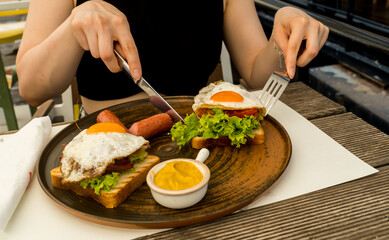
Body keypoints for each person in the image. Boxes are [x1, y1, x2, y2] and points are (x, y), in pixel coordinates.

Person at [16, 0, 328, 114]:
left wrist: (281, 40)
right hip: (104, 140)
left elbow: (258, 76)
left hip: (200, 141)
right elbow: (31, 88)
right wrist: (73, 27)